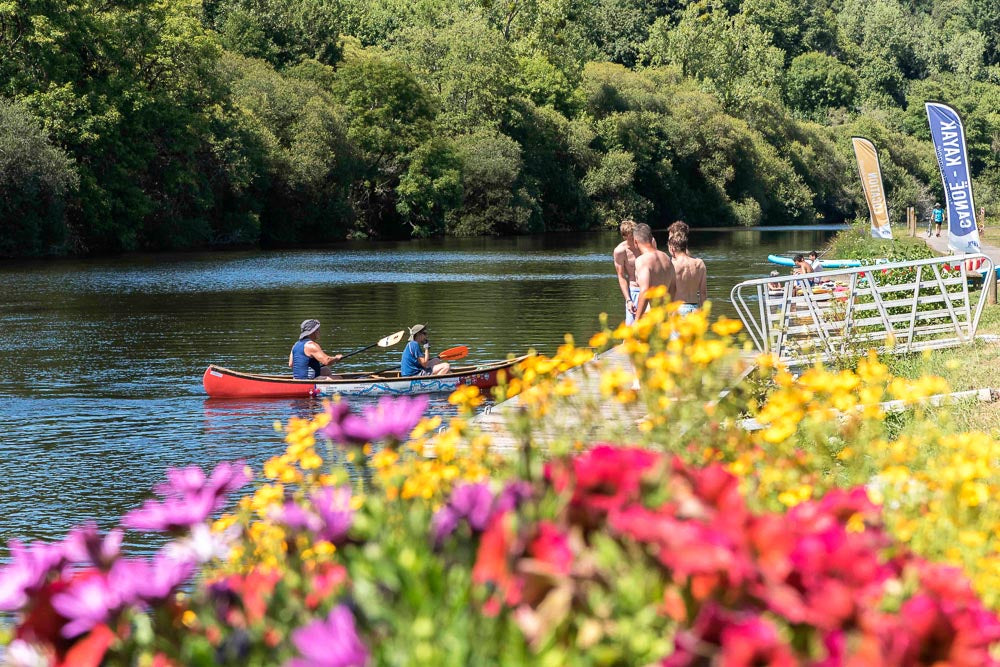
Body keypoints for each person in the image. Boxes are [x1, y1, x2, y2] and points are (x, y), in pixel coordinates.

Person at [632, 223, 676, 319]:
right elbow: (673, 287)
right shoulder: (666, 257)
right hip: (664, 315)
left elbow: (645, 291)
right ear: (651, 238)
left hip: (651, 317)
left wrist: (637, 320)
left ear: (635, 242)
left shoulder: (642, 260)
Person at [666, 222, 706, 315]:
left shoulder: (672, 265)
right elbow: (703, 293)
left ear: (672, 248)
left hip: (677, 309)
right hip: (695, 309)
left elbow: (671, 291)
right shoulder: (699, 263)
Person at [613, 219, 642, 325]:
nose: (635, 240)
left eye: (635, 236)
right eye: (631, 237)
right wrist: (628, 300)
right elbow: (621, 276)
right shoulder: (620, 251)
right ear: (624, 236)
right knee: (631, 330)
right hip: (634, 290)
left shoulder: (647, 243)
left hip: (649, 289)